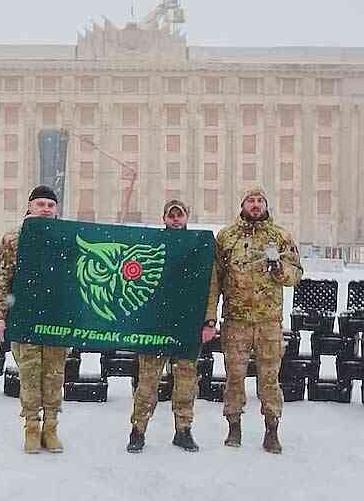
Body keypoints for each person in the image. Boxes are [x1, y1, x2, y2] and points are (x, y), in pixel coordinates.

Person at [208, 186, 302, 454]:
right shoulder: (227, 237)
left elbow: (296, 274)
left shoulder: (280, 236)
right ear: (243, 205)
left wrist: (278, 269)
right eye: (251, 200)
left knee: (269, 378)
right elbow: (215, 280)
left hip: (268, 322)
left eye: (260, 200)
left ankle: (272, 430)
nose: (256, 205)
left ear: (266, 205)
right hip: (236, 321)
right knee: (234, 377)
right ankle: (233, 426)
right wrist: (210, 316)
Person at [126, 199, 218, 453]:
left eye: (180, 215)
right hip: (155, 326)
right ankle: (138, 430)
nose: (176, 219)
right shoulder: (151, 245)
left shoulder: (200, 248)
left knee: (186, 383)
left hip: (187, 326)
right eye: (171, 215)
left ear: (187, 217)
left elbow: (212, 288)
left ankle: (183, 430)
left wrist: (210, 320)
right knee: (147, 382)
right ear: (164, 218)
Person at [0, 185, 68, 454]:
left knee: (54, 376)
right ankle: (32, 429)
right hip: (24, 316)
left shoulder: (67, 237)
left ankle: (51, 428)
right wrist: (0, 317)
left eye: (50, 204)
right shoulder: (14, 238)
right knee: (30, 374)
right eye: (41, 204)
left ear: (56, 209)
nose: (46, 209)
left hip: (57, 318)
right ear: (30, 206)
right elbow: (1, 279)